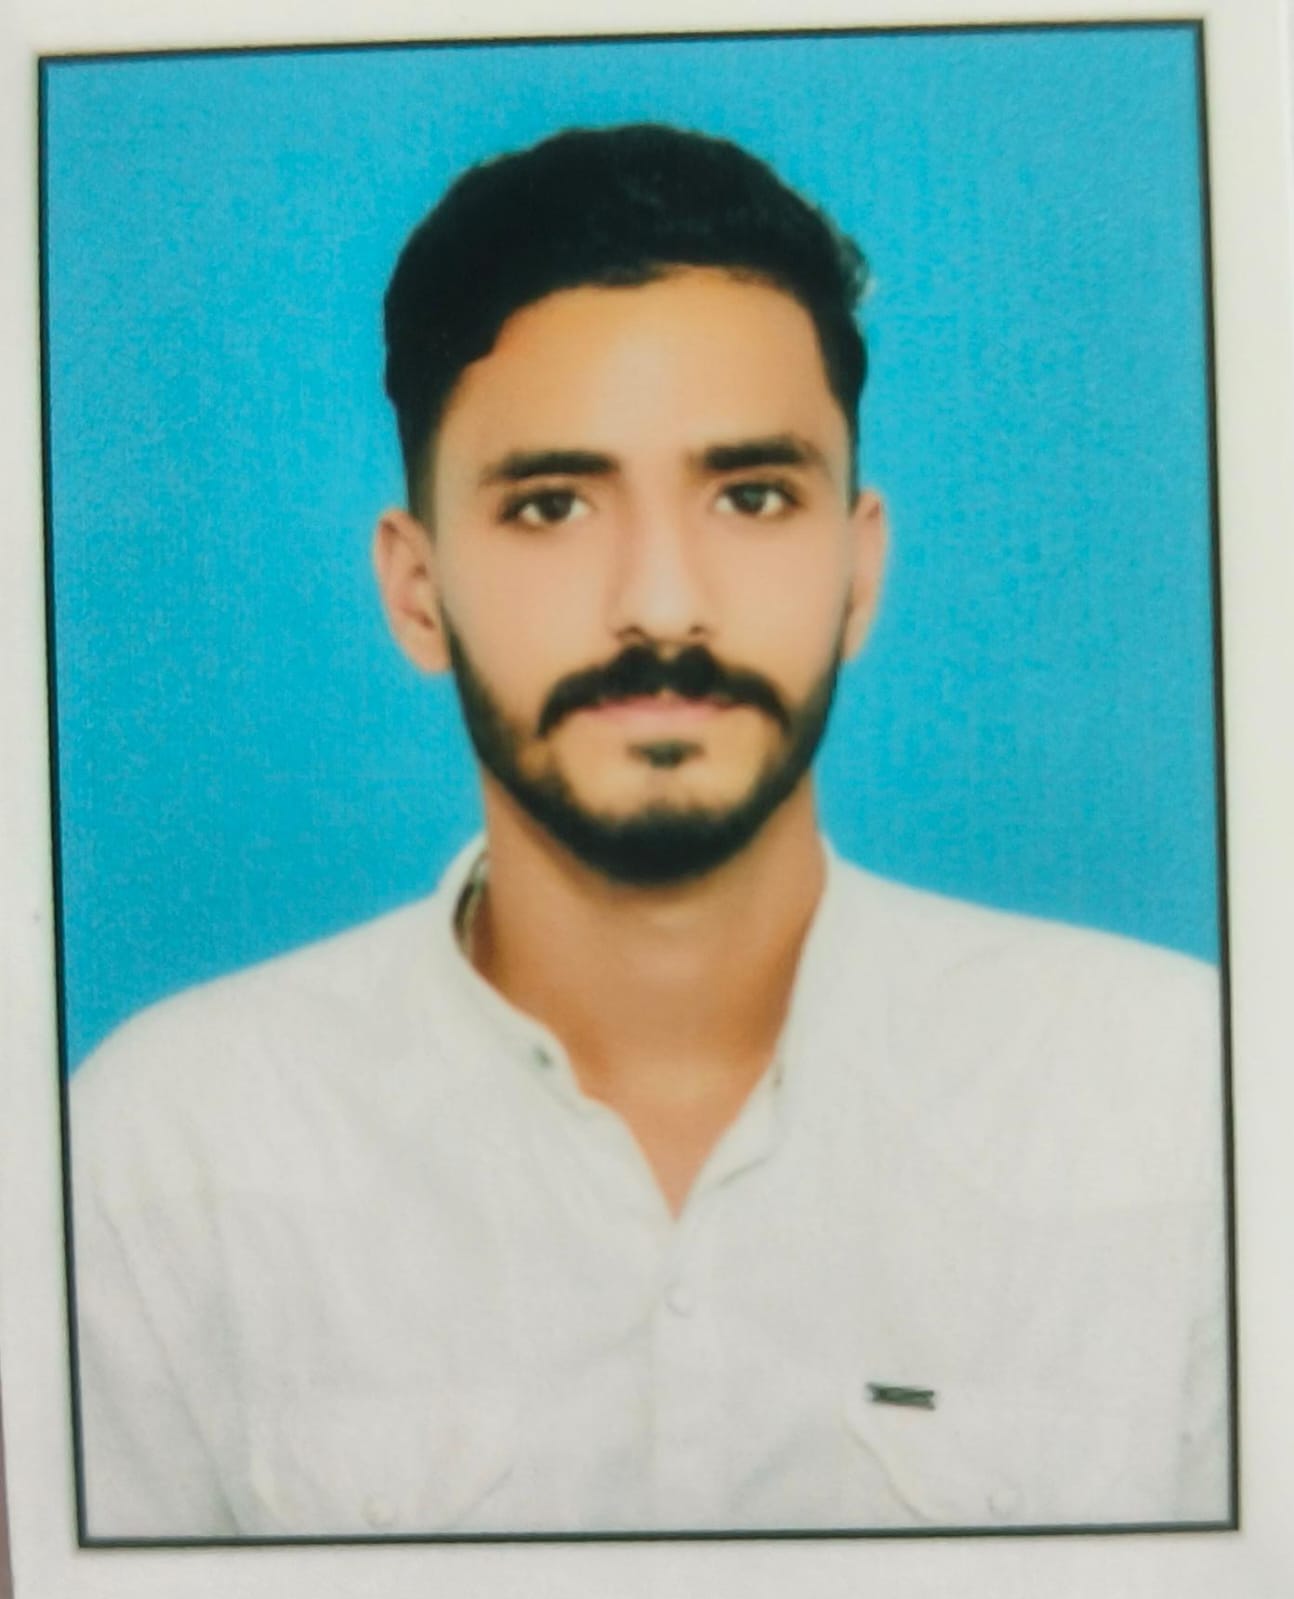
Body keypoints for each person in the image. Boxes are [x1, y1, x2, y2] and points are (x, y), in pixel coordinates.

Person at [70, 123, 1228, 1541]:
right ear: (417, 592)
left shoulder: (1181, 1109)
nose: (663, 605)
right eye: (552, 505)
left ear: (857, 570)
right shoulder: (164, 1160)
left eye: (752, 496)